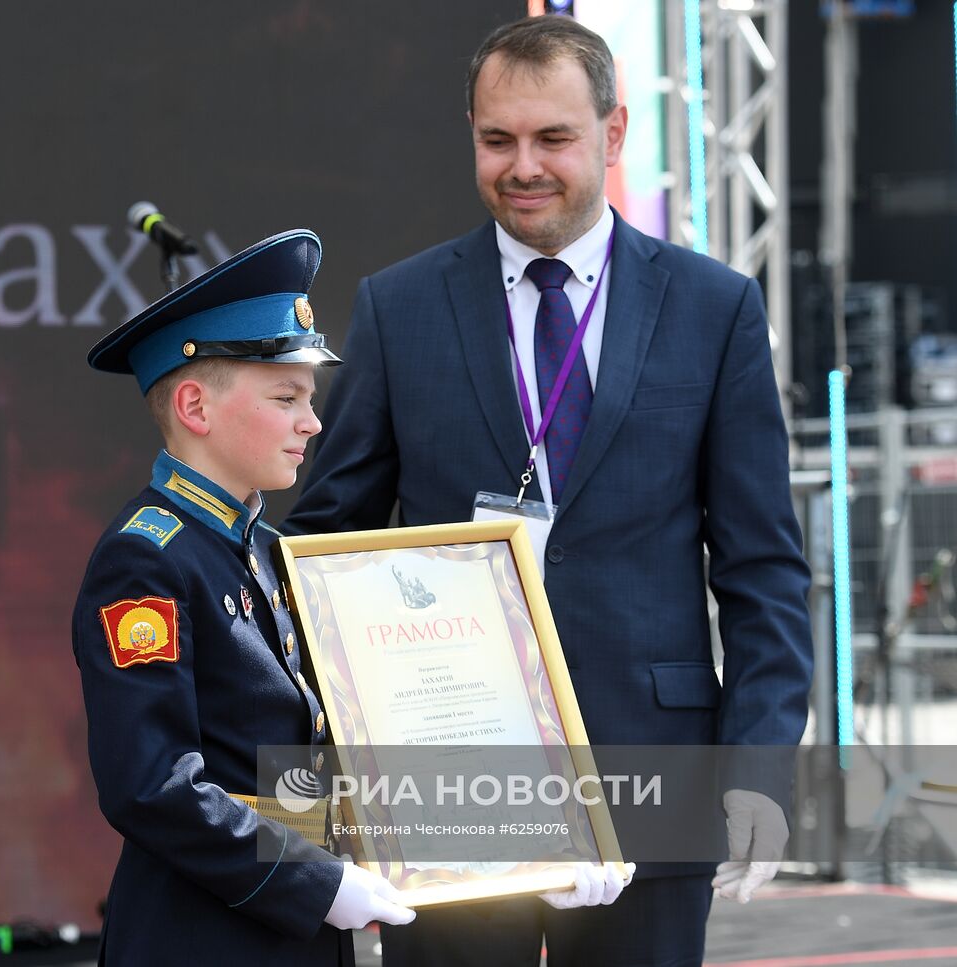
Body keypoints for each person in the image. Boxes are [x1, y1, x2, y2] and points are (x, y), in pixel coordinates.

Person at [284, 15, 814, 967]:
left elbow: (764, 566)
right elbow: (330, 544)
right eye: (498, 140)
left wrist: (759, 768)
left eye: (553, 138)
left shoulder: (713, 306)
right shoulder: (400, 308)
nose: (522, 166)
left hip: (653, 773)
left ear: (612, 135)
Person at [72, 229, 417, 966]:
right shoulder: (146, 559)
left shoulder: (266, 549)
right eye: (287, 396)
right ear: (195, 405)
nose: (312, 422)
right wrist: (315, 883)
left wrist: (516, 848)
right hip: (202, 939)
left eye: (310, 397)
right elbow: (152, 784)